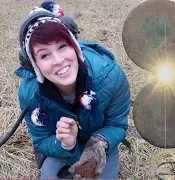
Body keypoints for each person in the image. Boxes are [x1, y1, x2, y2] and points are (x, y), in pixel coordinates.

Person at [15, 1, 131, 179]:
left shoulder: (111, 75)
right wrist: (66, 144)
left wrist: (99, 143)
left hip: (101, 144)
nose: (58, 60)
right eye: (44, 55)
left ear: (74, 46)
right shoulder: (29, 94)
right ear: (33, 64)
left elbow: (117, 125)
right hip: (61, 147)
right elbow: (41, 139)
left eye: (62, 46)